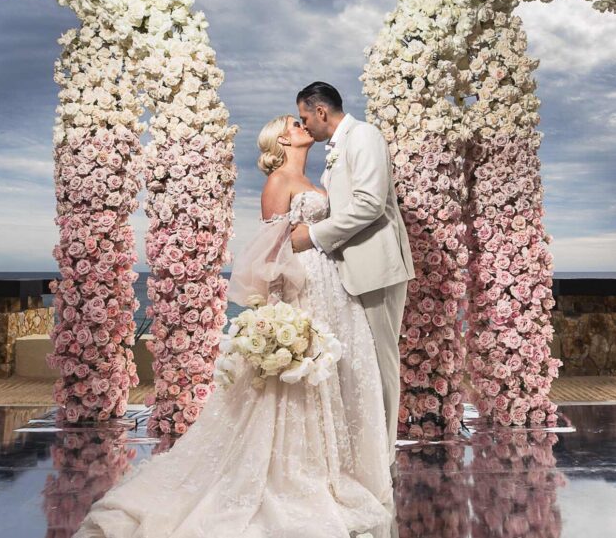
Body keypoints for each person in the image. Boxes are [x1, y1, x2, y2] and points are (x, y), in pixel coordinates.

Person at [74, 111, 394, 538]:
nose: (303, 128)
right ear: (282, 141)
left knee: (328, 377)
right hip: (303, 288)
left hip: (331, 286)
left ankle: (329, 464)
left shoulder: (316, 181)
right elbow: (268, 252)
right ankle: (289, 470)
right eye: (294, 125)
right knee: (295, 384)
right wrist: (278, 308)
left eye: (303, 122)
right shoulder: (277, 183)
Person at [289, 81, 415, 469]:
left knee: (381, 361)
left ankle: (384, 454)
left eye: (306, 117)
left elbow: (369, 204)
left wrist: (312, 235)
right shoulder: (340, 145)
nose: (305, 126)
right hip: (351, 270)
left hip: (375, 268)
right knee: (364, 364)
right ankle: (368, 449)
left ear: (322, 111)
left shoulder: (364, 136)